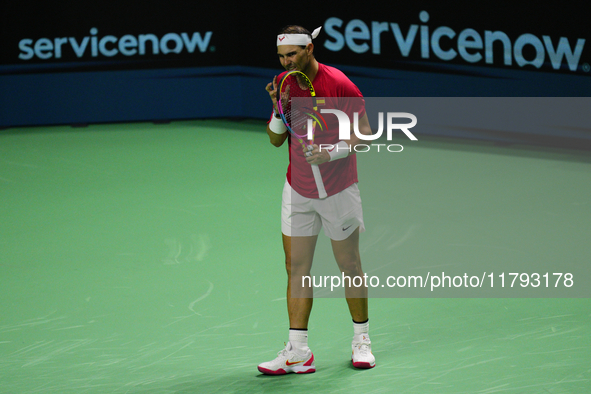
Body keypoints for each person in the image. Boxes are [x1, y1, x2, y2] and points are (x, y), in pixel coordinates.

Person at [258, 25, 375, 375]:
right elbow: (276, 140)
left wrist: (332, 152)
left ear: (309, 48)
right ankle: (297, 350)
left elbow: (367, 134)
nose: (286, 62)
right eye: (281, 57)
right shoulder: (284, 82)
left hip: (338, 190)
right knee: (296, 268)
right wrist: (278, 109)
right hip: (298, 190)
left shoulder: (339, 83)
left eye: (291, 54)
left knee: (349, 266)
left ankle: (362, 340)